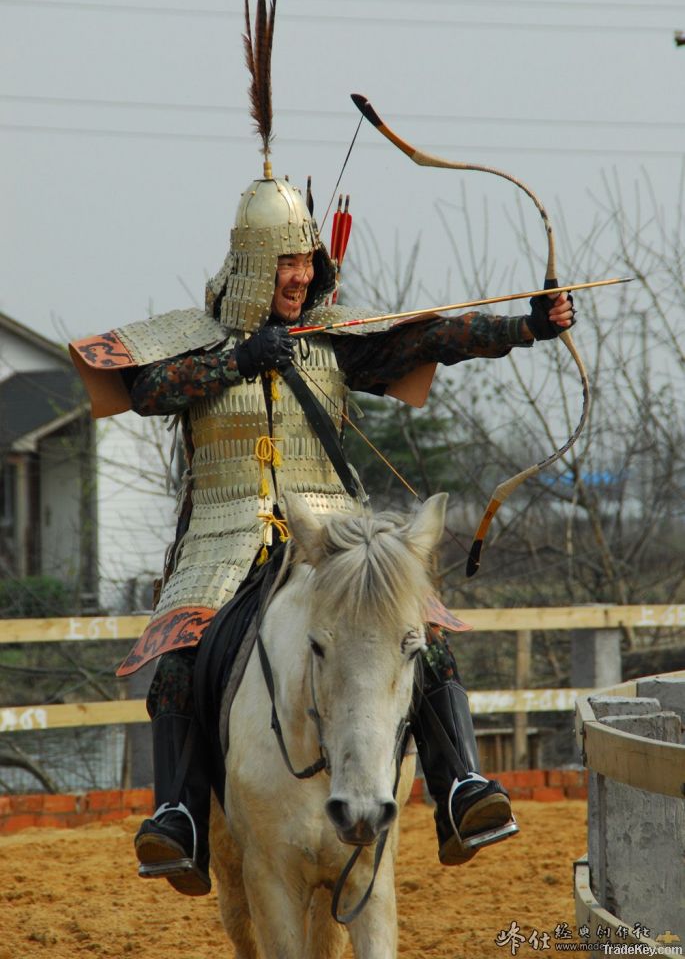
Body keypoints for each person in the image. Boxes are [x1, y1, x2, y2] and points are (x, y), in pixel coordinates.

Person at [70, 170, 574, 897]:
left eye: (308, 261)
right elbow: (148, 391)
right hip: (222, 538)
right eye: (287, 261)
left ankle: (458, 785)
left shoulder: (332, 341)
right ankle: (178, 814)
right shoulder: (193, 342)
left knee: (421, 635)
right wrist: (238, 360)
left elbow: (432, 335)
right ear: (252, 263)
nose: (301, 276)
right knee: (179, 655)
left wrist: (524, 326)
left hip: (333, 535)